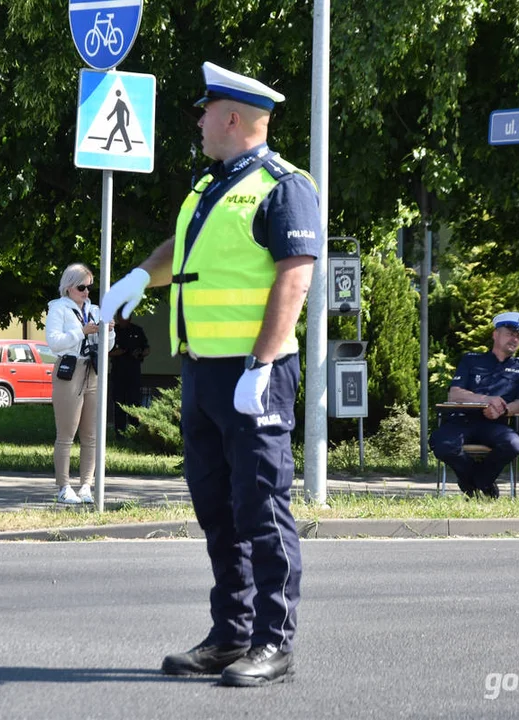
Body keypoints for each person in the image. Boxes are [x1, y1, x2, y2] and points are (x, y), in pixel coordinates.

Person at [101, 61, 320, 687]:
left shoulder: (284, 186)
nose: (197, 121)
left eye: (205, 111)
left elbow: (294, 275)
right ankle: (231, 635)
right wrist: (142, 275)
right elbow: (187, 255)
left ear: (231, 117)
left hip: (252, 376)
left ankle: (274, 643)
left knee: (263, 509)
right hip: (202, 374)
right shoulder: (209, 187)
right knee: (218, 511)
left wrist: (263, 362)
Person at [429, 312, 519, 498]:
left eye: (518, 336)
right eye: (510, 333)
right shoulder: (472, 360)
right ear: (495, 335)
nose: (515, 339)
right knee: (443, 444)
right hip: (462, 420)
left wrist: (504, 409)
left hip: (495, 423)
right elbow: (454, 394)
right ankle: (481, 483)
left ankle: (477, 482)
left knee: (513, 443)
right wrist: (486, 400)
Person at [45, 263, 115, 505]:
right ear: (68, 287)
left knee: (91, 434)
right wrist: (82, 332)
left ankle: (86, 485)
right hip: (69, 370)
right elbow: (54, 343)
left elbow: (106, 347)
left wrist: (109, 331)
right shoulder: (59, 309)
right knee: (66, 433)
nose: (86, 292)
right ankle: (64, 487)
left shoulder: (94, 310)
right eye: (81, 287)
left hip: (92, 369)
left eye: (89, 287)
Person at [109, 315, 151, 432]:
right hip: (118, 372)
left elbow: (147, 349)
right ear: (118, 318)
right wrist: (117, 353)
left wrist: (140, 353)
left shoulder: (137, 330)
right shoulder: (114, 330)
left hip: (134, 371)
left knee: (134, 401)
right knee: (118, 402)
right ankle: (120, 432)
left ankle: (135, 431)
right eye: (122, 317)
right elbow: (105, 352)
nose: (124, 320)